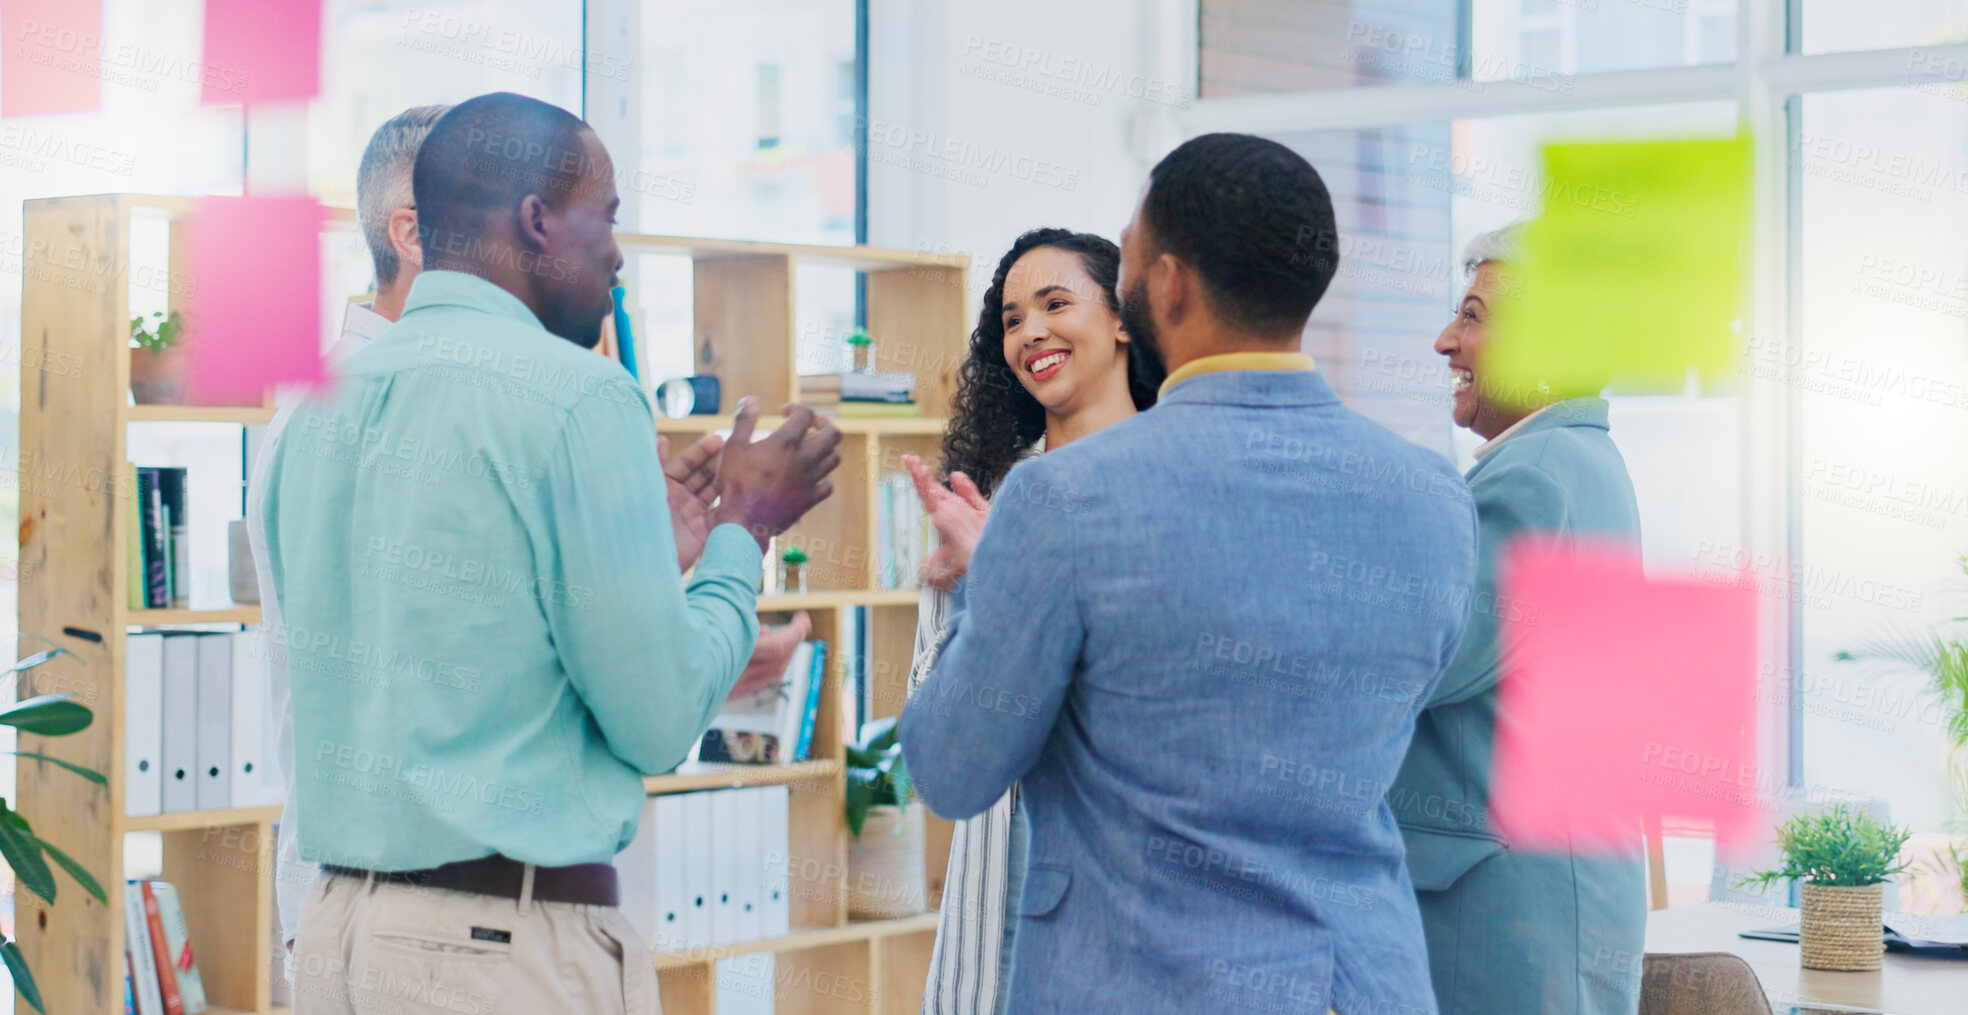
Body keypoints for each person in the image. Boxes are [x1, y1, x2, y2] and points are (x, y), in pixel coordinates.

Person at [265, 92, 840, 1014]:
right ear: (536, 222)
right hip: (499, 953)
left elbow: (468, 653)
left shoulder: (316, 405)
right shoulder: (581, 397)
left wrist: (646, 561)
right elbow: (654, 722)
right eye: (605, 217)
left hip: (336, 937)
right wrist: (745, 529)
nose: (617, 252)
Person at [898, 133, 1478, 1015]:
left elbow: (952, 766)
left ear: (1166, 283)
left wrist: (979, 589)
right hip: (1362, 984)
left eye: (1127, 255)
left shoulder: (1062, 499)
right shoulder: (1431, 494)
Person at [1388, 224, 1647, 1014]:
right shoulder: (1573, 461)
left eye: (1472, 316)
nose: (1445, 341)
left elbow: (1425, 657)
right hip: (1538, 900)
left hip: (1508, 915)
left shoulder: (1535, 476)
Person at [899, 227, 1158, 1015]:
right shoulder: (991, 494)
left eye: (1054, 303)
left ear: (1122, 321)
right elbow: (929, 712)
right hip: (1000, 871)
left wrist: (1002, 584)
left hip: (1133, 881)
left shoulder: (1175, 475)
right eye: (1012, 318)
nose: (1031, 332)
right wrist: (964, 584)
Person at [247, 102, 450, 952]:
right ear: (413, 235)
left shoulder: (335, 390)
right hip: (401, 910)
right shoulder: (384, 403)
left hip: (366, 897)